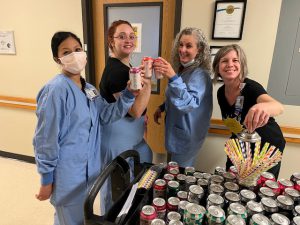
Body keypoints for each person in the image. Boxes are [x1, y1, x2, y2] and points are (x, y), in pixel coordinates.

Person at [33, 31, 136, 225]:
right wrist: (46, 180)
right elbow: (46, 139)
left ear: (84, 53)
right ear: (58, 59)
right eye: (66, 52)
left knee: (81, 218)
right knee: (69, 220)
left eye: (77, 49)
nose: (74, 55)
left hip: (89, 173)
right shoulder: (56, 90)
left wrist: (129, 95)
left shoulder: (88, 88)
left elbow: (105, 116)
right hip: (68, 175)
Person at [99, 20, 152, 213]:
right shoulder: (115, 72)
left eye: (131, 36)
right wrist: (148, 82)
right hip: (117, 140)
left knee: (130, 185)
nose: (128, 40)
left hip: (131, 137)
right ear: (111, 42)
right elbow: (136, 110)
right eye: (121, 36)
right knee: (116, 189)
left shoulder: (127, 67)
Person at [212, 44, 285, 179]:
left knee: (257, 189)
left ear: (242, 65)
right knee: (231, 180)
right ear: (217, 67)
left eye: (235, 60)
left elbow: (278, 107)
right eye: (224, 61)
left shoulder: (251, 87)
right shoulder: (221, 92)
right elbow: (234, 121)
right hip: (240, 144)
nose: (230, 64)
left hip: (265, 147)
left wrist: (261, 107)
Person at [153, 27, 213, 167]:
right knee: (173, 173)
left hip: (187, 138)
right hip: (177, 134)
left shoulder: (200, 75)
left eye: (188, 46)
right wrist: (162, 107)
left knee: (178, 178)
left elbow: (189, 103)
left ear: (199, 50)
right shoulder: (183, 71)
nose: (182, 49)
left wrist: (173, 77)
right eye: (180, 44)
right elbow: (177, 95)